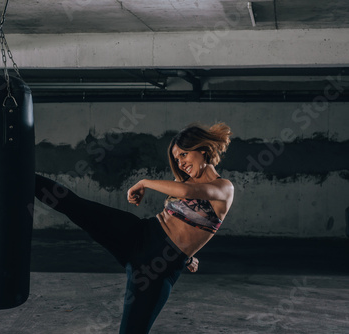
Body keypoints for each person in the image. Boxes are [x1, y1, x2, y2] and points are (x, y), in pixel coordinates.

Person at [34, 122, 234, 334]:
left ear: (202, 150)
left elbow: (187, 192)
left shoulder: (224, 188)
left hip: (158, 267)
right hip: (139, 234)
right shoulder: (185, 181)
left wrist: (145, 182)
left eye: (183, 155)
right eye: (177, 159)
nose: (180, 163)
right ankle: (21, 176)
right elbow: (184, 222)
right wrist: (189, 257)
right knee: (76, 206)